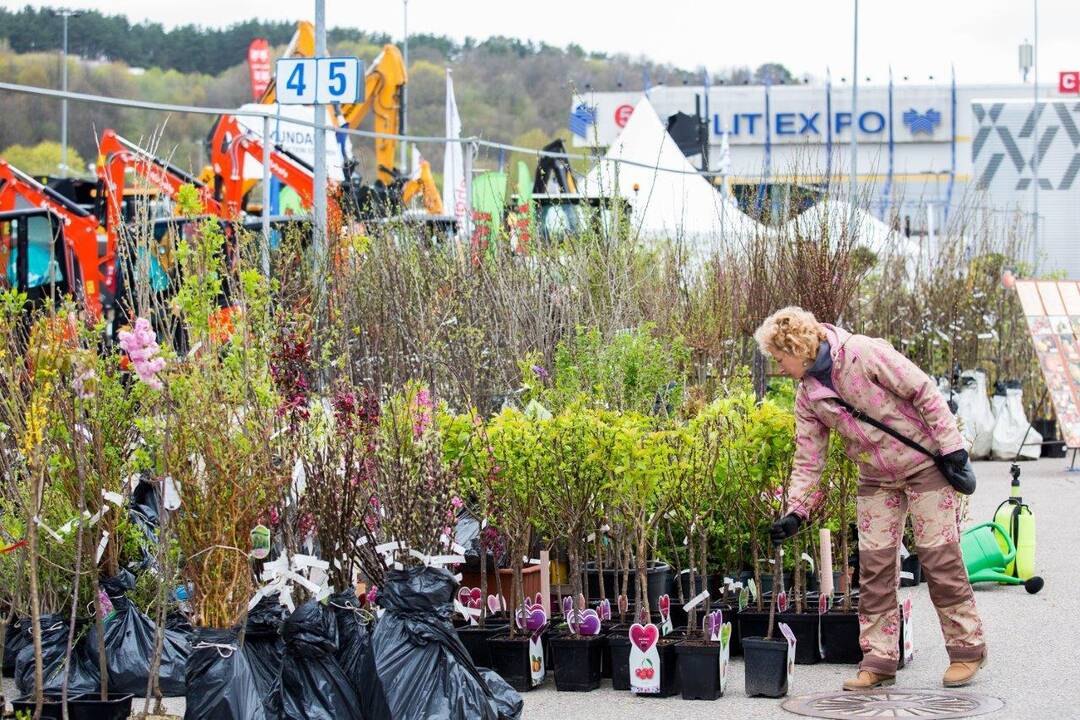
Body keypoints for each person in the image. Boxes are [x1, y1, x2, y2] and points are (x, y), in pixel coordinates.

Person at [754, 306, 986, 691]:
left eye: (780, 359)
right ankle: (879, 659)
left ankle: (967, 650)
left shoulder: (862, 353)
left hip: (924, 463)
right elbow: (809, 458)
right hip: (876, 477)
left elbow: (923, 390)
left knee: (938, 557)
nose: (780, 367)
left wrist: (952, 448)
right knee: (875, 567)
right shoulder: (808, 396)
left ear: (796, 346)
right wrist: (796, 511)